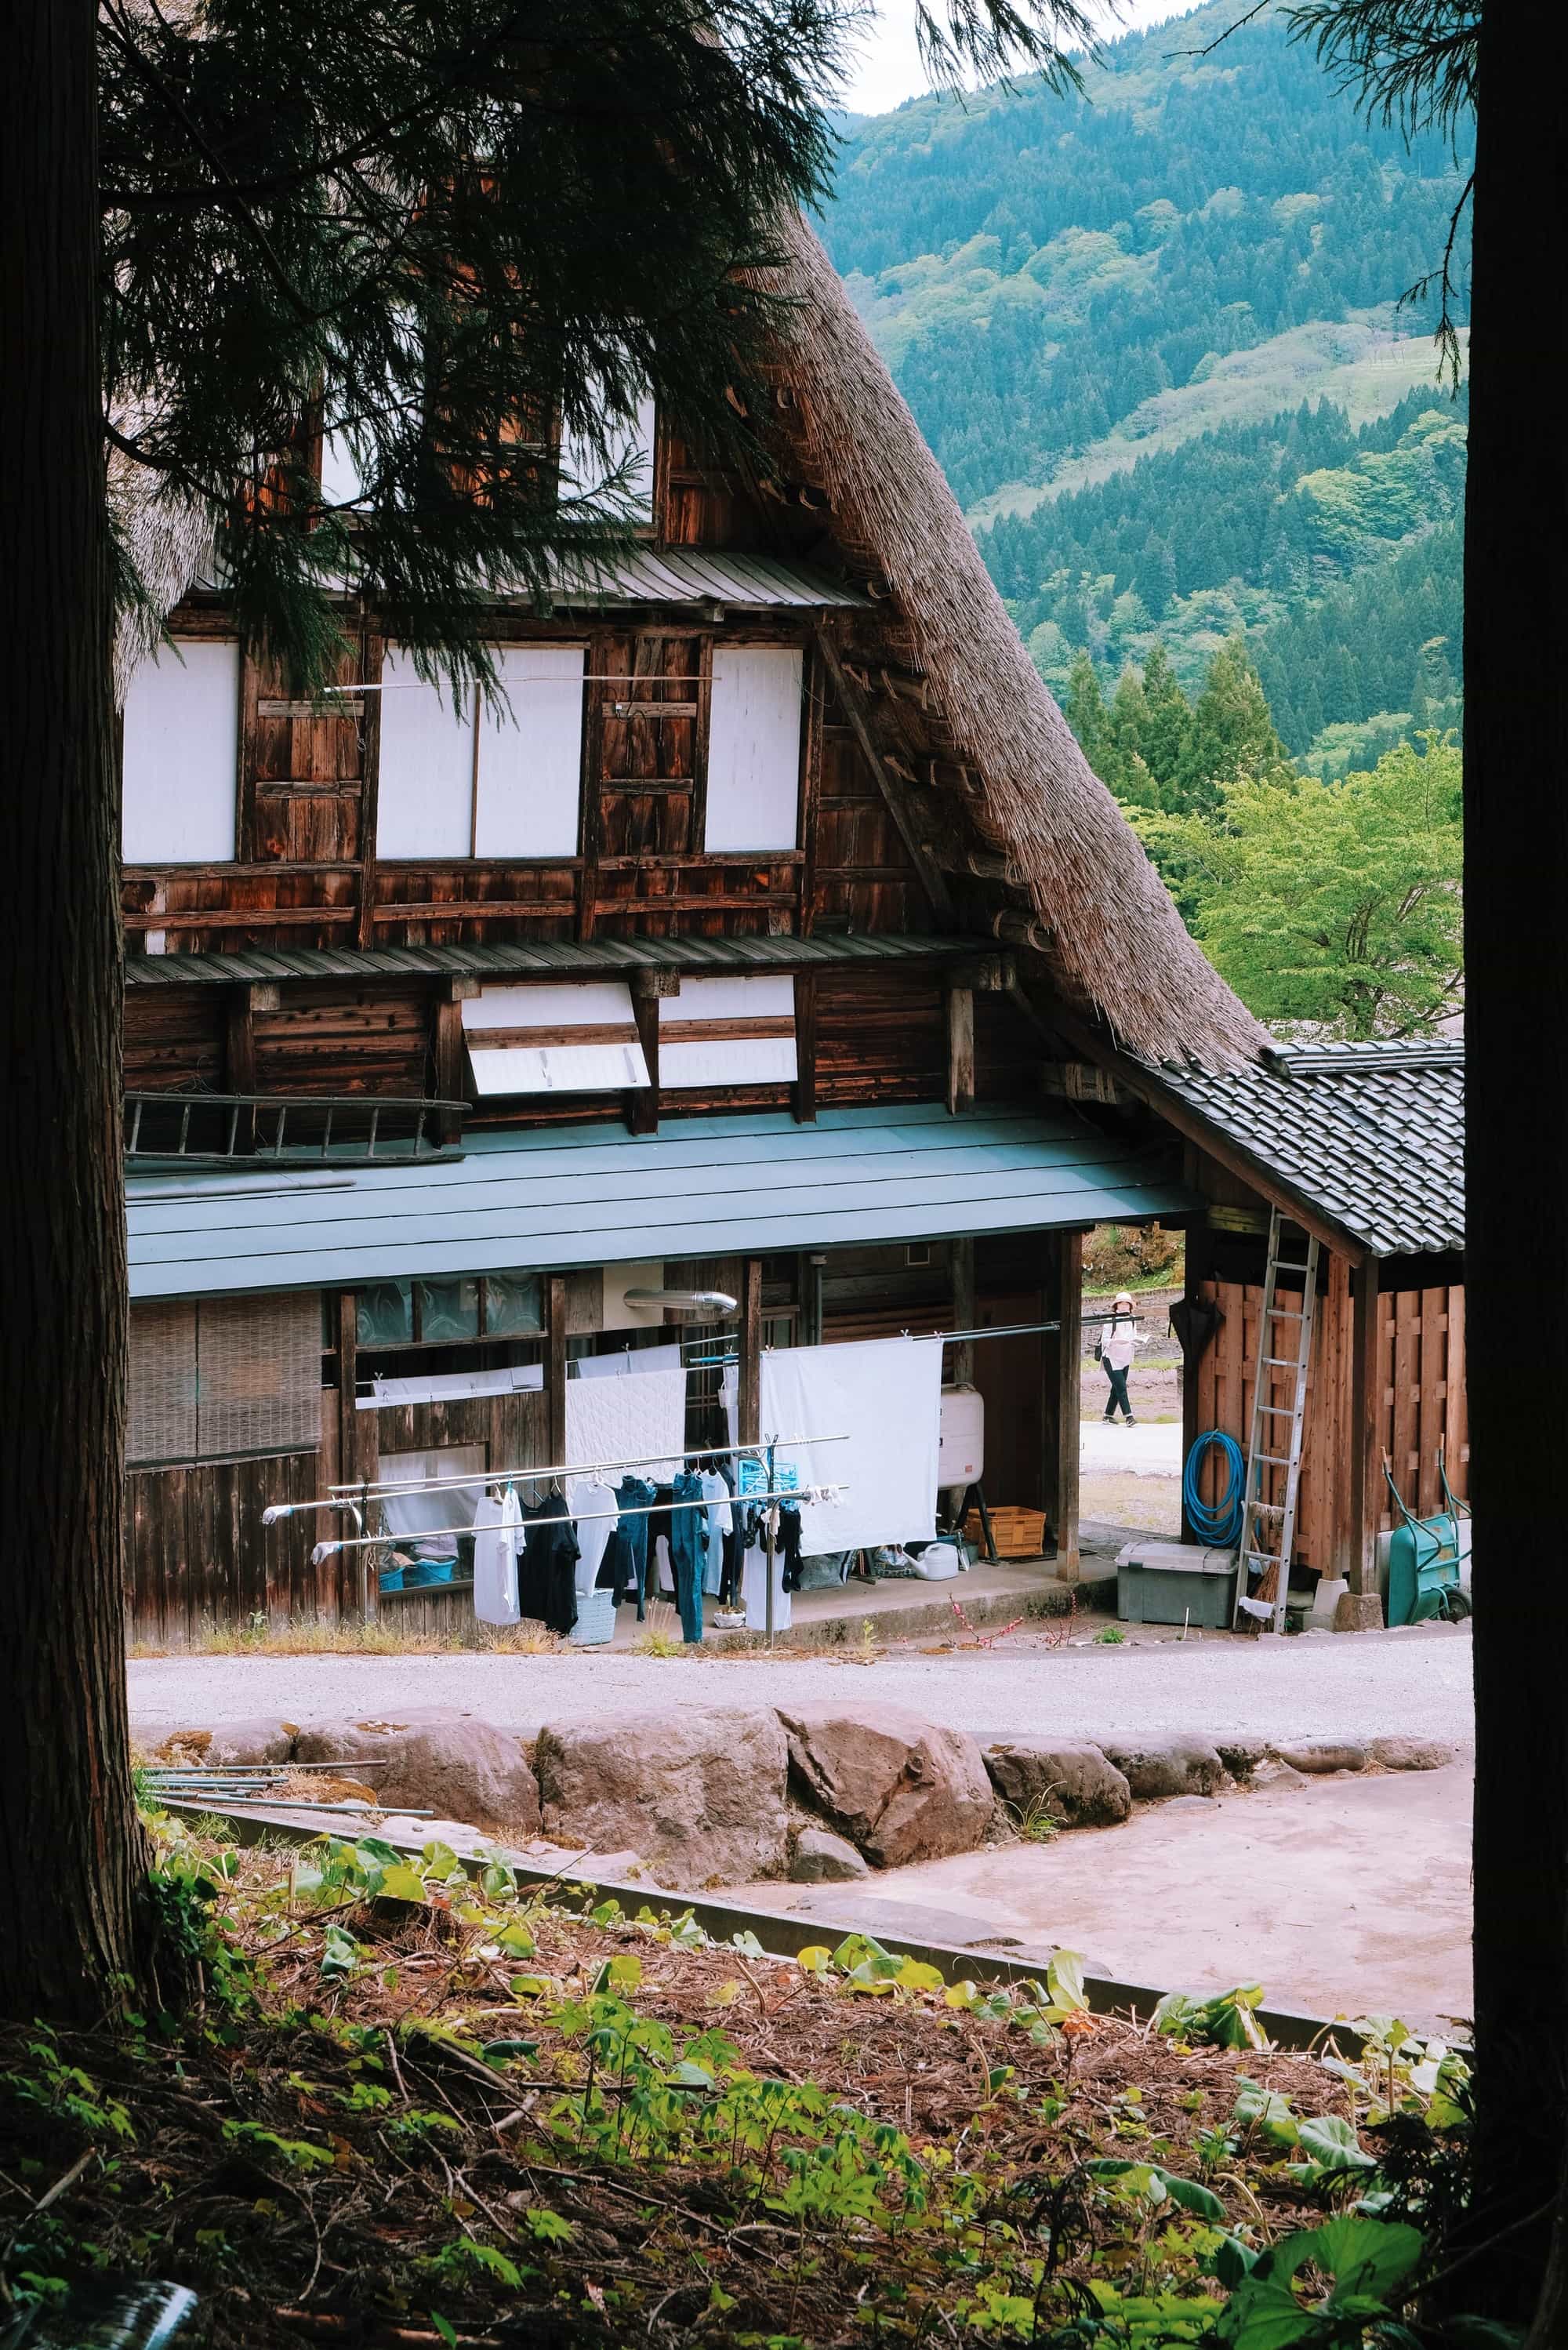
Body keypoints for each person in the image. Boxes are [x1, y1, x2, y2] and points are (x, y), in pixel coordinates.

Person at [1098, 1291, 1139, 1425]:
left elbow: (1133, 1337)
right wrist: (1115, 1342)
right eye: (1121, 1303)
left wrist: (1137, 1341)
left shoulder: (1133, 1320)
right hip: (1111, 1357)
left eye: (1127, 1304)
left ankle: (1108, 1415)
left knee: (1116, 1387)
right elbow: (1104, 1340)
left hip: (1125, 1357)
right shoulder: (1111, 1320)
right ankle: (1129, 1417)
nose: (1124, 1306)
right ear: (1116, 1306)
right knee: (1121, 1387)